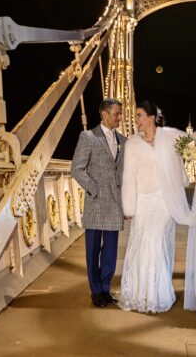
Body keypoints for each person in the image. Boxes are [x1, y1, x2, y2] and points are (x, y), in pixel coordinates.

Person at [120, 101, 196, 320]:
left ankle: (157, 295)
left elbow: (193, 150)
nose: (137, 120)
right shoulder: (132, 144)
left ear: (151, 117)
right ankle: (140, 295)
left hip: (164, 200)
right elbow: (128, 177)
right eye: (136, 116)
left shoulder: (169, 137)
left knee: (159, 244)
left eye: (140, 116)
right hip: (143, 201)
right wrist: (129, 206)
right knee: (141, 244)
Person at [71, 98, 127, 308]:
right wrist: (95, 189)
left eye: (121, 114)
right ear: (104, 114)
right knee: (93, 250)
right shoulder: (88, 137)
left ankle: (105, 288)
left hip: (115, 204)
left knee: (111, 251)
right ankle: (95, 291)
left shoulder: (124, 140)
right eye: (116, 114)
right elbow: (77, 168)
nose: (120, 117)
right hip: (95, 203)